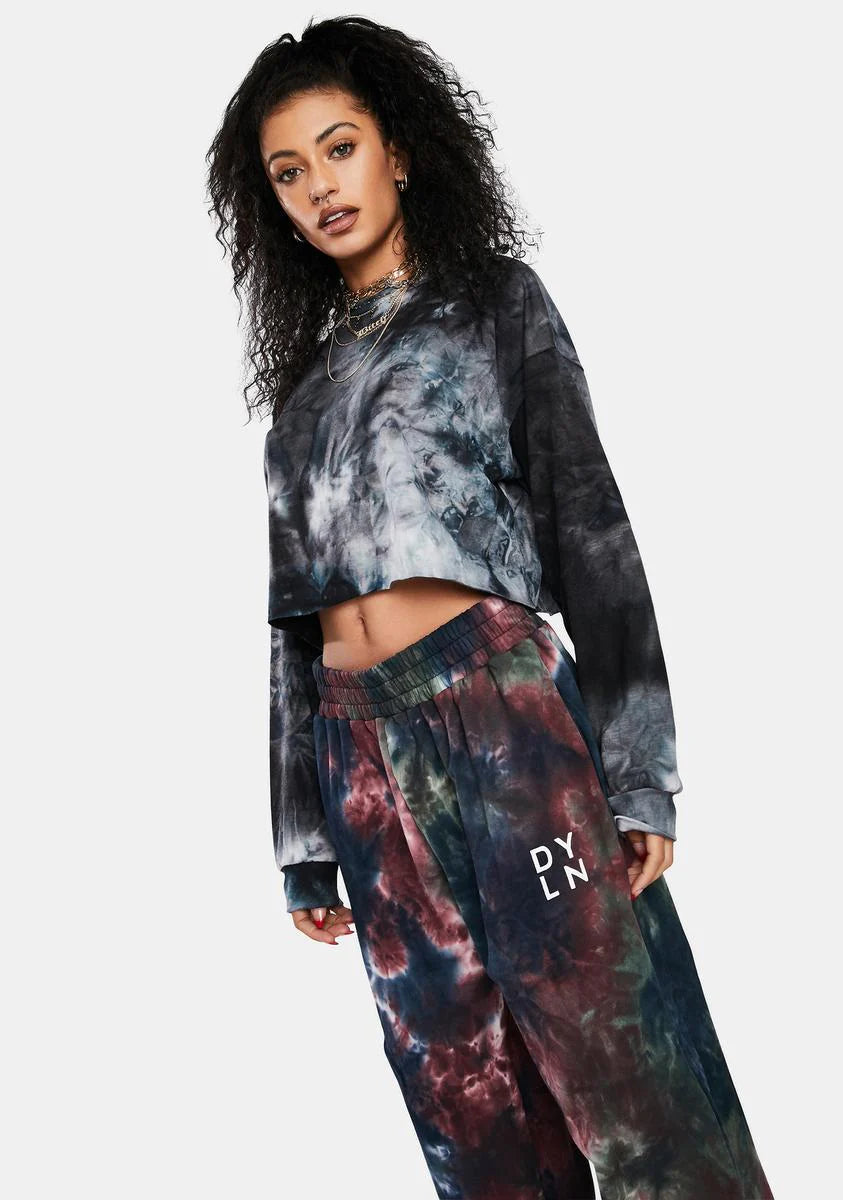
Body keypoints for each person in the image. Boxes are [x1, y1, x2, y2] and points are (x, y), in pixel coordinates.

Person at [206, 16, 774, 1200]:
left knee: (629, 1073)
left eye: (340, 147)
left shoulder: (493, 306)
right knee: (467, 1105)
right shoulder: (299, 400)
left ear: (400, 151)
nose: (321, 186)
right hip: (361, 759)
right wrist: (305, 841)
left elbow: (589, 524)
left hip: (505, 720)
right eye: (288, 171)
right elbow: (291, 638)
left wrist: (640, 771)